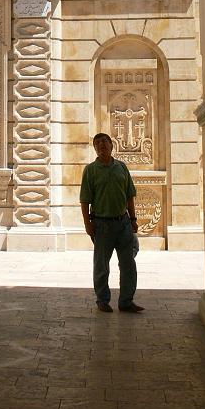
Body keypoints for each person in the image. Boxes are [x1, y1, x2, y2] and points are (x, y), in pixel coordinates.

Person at [80, 132, 144, 313]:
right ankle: (102, 300)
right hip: (102, 225)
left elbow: (130, 195)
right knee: (101, 265)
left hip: (123, 223)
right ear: (95, 148)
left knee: (128, 264)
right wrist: (87, 224)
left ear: (111, 145)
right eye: (97, 143)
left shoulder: (121, 167)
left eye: (104, 142)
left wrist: (133, 219)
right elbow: (85, 200)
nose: (101, 145)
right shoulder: (90, 170)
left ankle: (126, 301)